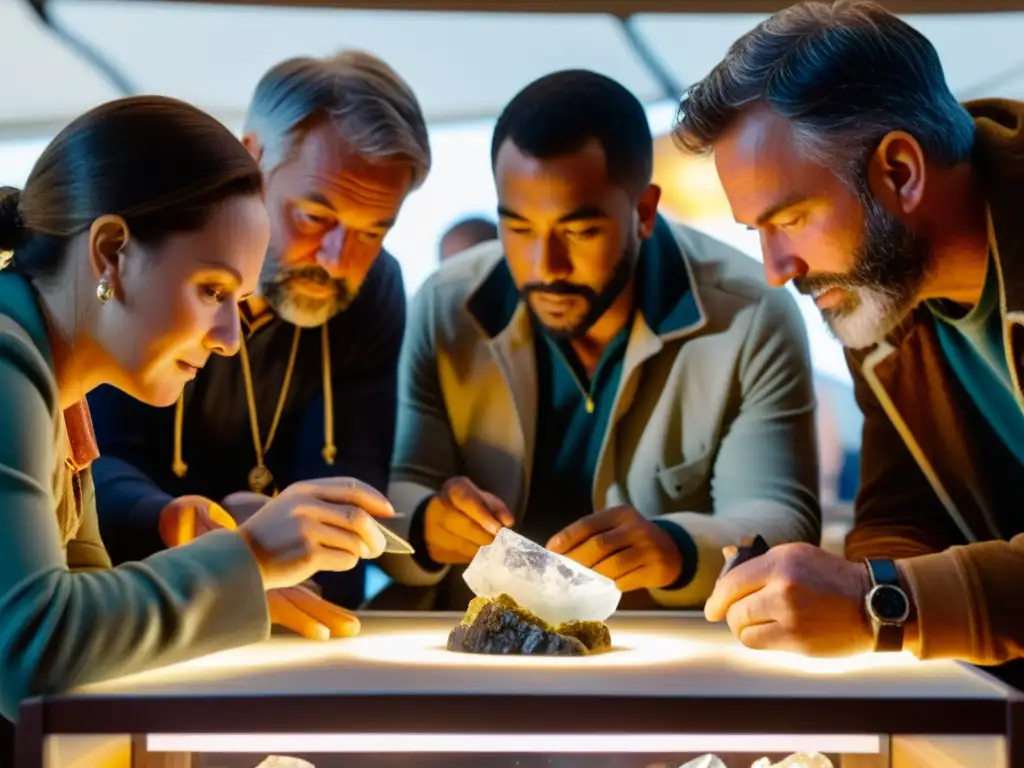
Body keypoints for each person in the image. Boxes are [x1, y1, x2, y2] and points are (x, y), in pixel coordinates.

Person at [0, 95, 396, 727]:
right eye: (212, 290)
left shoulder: (59, 389)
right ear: (110, 252)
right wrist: (254, 557)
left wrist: (234, 567)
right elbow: (32, 648)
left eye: (238, 299)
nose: (229, 338)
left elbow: (84, 605)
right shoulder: (6, 363)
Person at [381, 70, 821, 612]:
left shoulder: (752, 313)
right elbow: (396, 491)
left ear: (643, 212)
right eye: (517, 229)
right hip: (478, 649)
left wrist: (677, 549)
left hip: (660, 660)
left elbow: (783, 518)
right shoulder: (444, 305)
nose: (546, 267)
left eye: (579, 231)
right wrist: (427, 523)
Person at [675, 0, 1024, 665]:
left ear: (900, 172)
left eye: (792, 217)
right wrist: (828, 585)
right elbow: (901, 515)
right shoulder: (886, 299)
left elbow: (891, 590)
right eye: (758, 232)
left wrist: (881, 601)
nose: (778, 270)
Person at [87, 51, 430, 617]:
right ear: (251, 160)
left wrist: (297, 566)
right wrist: (198, 529)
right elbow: (96, 463)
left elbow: (350, 493)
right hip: (133, 596)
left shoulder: (373, 289)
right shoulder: (153, 257)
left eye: (374, 230)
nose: (339, 261)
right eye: (315, 218)